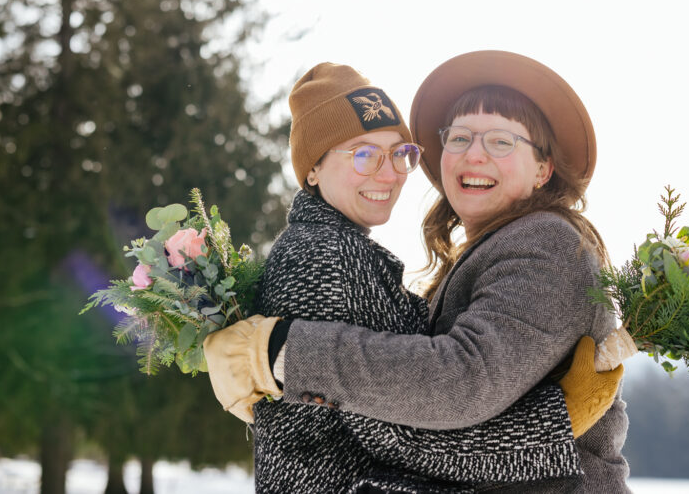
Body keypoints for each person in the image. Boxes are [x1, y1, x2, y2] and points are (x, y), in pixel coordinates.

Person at [206, 51, 630, 493]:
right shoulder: (327, 253)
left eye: (501, 141)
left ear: (544, 168)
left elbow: (460, 382)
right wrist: (556, 423)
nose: (475, 155)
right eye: (461, 137)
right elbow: (384, 424)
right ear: (311, 167)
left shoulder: (546, 241)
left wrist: (279, 353)